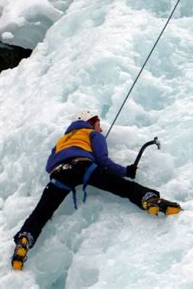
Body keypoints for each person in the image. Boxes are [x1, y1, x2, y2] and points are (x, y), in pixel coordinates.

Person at [11, 110, 181, 270]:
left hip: (59, 174)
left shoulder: (61, 141)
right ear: (90, 122)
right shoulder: (92, 134)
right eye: (98, 123)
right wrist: (126, 171)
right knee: (122, 186)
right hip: (83, 166)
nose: (100, 128)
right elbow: (103, 160)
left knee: (41, 213)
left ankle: (25, 239)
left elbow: (49, 166)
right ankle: (149, 199)